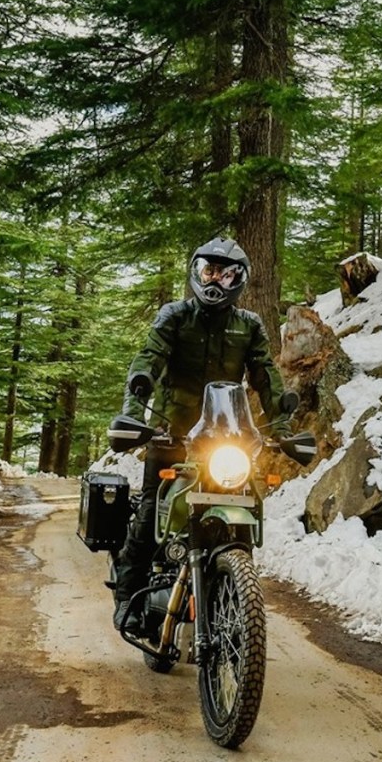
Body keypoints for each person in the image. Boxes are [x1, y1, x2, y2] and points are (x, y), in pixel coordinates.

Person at [113, 236, 289, 632]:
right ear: (195, 271)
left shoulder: (249, 326)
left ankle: (235, 601)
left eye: (226, 275)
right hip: (173, 437)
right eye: (209, 271)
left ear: (239, 281)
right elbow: (148, 362)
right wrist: (134, 411)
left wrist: (284, 424)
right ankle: (128, 599)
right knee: (147, 518)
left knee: (244, 511)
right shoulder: (174, 317)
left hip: (227, 441)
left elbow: (266, 376)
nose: (216, 282)